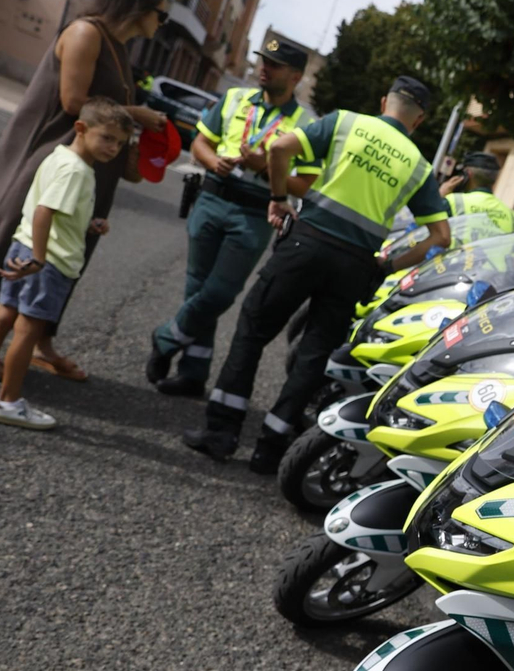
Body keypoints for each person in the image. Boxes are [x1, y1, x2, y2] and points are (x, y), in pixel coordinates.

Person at [182, 76, 452, 471]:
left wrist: (278, 198)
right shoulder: (418, 165)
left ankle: (221, 432)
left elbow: (278, 148)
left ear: (383, 101)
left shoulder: (344, 122)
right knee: (314, 353)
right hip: (357, 263)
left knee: (254, 327)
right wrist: (387, 265)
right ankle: (270, 449)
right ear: (420, 120)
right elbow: (440, 236)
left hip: (305, 244)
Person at [0, 0, 168, 384]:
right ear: (138, 8)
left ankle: (38, 345)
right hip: (48, 158)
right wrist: (136, 115)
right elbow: (73, 101)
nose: (162, 24)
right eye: (161, 15)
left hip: (85, 172)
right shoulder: (85, 32)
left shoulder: (118, 48)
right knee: (11, 243)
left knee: (64, 256)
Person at [145, 37, 317, 398]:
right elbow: (201, 143)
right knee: (197, 286)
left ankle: (166, 338)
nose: (263, 68)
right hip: (212, 196)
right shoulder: (235, 98)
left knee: (221, 290)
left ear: (296, 76)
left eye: (274, 64)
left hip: (254, 209)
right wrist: (213, 161)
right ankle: (193, 374)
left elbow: (305, 184)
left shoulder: (306, 123)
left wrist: (268, 168)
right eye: (262, 60)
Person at [0, 100, 134, 429]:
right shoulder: (76, 170)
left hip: (23, 246)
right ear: (81, 128)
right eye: (107, 138)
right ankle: (8, 401)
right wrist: (40, 258)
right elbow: (44, 211)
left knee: (2, 314)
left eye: (120, 143)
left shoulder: (61, 157)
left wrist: (87, 223)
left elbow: (53, 207)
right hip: (47, 261)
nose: (114, 148)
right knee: (28, 329)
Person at [440, 151, 514, 232]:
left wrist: (440, 195)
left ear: (467, 174)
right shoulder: (512, 217)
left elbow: (430, 225)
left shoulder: (453, 202)